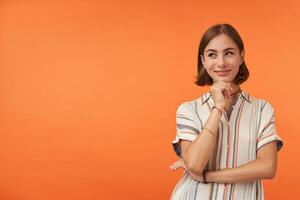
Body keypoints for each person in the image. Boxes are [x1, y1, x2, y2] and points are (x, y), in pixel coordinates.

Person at [169, 23, 283, 200]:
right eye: (212, 55)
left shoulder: (262, 109)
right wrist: (217, 108)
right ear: (203, 61)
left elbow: (267, 168)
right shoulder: (188, 110)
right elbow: (195, 164)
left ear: (241, 56)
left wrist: (208, 176)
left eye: (229, 53)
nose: (221, 63)